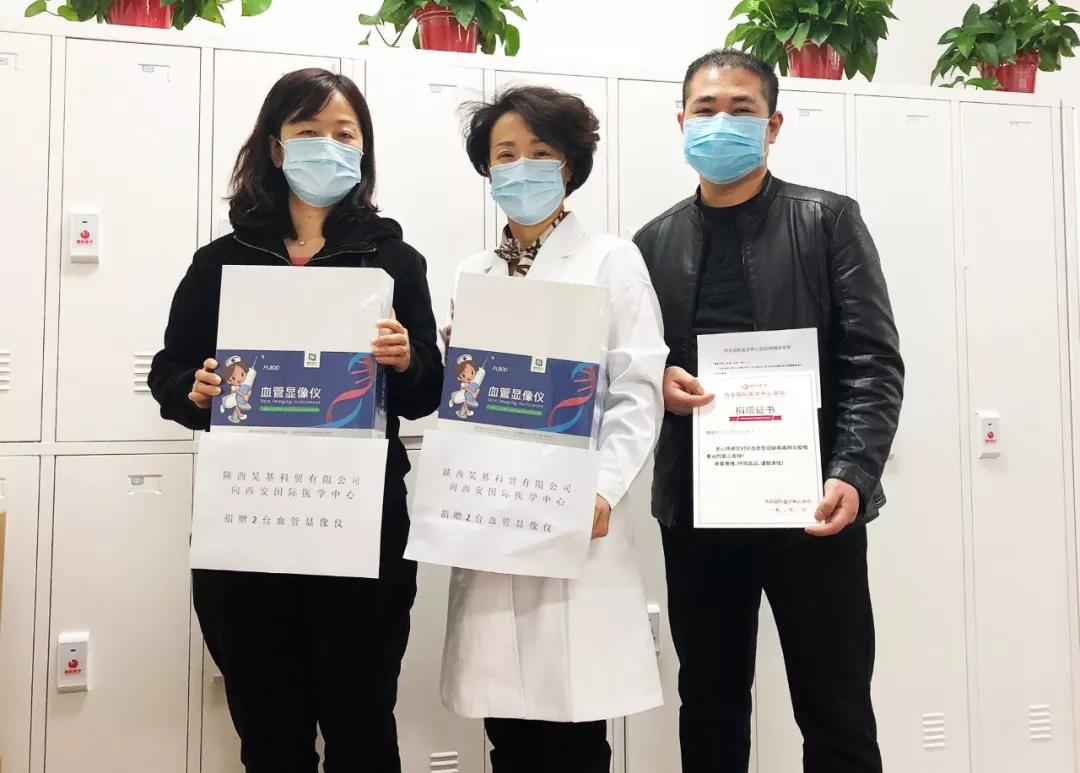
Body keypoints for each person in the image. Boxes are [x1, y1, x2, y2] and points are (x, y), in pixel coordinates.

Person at [148, 68, 443, 773]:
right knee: (270, 734)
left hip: (361, 530)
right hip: (250, 526)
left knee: (362, 727)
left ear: (364, 151)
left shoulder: (394, 261)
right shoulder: (221, 262)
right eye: (309, 131)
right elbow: (170, 371)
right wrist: (195, 388)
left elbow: (427, 392)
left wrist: (407, 360)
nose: (328, 146)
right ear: (276, 149)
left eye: (345, 134)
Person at [634, 49, 904, 773]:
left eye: (742, 109)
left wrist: (852, 471)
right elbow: (635, 363)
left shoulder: (827, 220)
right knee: (709, 704)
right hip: (698, 513)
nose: (721, 122)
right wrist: (660, 381)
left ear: (773, 124)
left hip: (814, 509)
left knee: (836, 708)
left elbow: (872, 360)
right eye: (706, 109)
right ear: (682, 121)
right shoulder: (651, 242)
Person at [440, 86, 668, 772]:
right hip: (493, 515)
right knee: (508, 732)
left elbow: (637, 387)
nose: (521, 168)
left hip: (574, 518)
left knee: (573, 733)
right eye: (505, 154)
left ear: (569, 165)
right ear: (486, 168)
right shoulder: (473, 272)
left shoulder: (611, 260)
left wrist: (603, 490)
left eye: (540, 152)